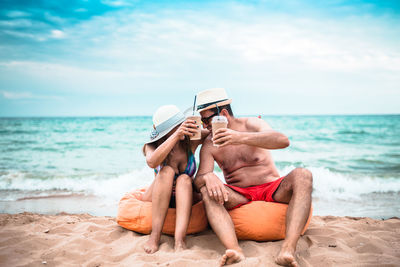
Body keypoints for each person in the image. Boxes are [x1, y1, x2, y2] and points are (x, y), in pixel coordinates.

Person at [193, 88, 313, 266]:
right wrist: (208, 177)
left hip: (273, 188)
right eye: (201, 121)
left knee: (303, 175)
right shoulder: (210, 143)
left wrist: (238, 137)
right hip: (239, 194)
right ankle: (235, 250)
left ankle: (288, 249)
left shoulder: (251, 125)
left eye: (206, 120)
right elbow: (198, 180)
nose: (204, 126)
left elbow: (282, 140)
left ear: (223, 113)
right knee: (206, 190)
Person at [141, 105, 208, 253]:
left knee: (184, 179)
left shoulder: (191, 139)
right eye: (175, 126)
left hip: (185, 196)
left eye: (180, 123)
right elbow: (152, 162)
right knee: (166, 171)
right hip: (159, 195)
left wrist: (203, 123)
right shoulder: (151, 146)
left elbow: (214, 132)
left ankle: (179, 240)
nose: (180, 127)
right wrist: (176, 135)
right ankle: (155, 235)